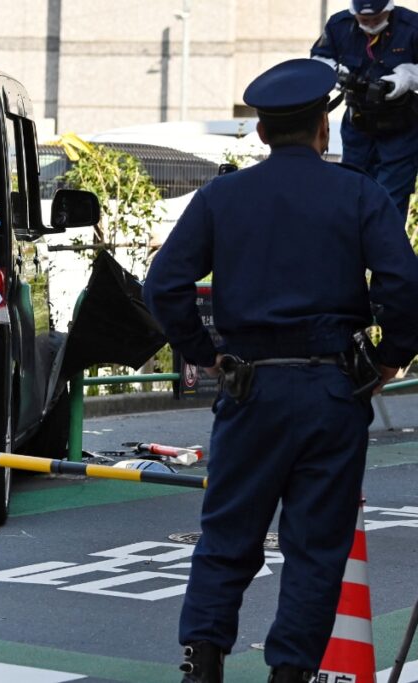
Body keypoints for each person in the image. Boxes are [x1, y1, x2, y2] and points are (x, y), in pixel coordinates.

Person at [143, 58, 418, 683]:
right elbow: (404, 284)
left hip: (250, 387)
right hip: (332, 388)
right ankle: (290, 672)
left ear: (262, 133)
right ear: (325, 128)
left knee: (228, 532)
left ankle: (203, 659)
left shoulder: (222, 197)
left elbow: (164, 284)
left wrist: (201, 350)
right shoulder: (358, 192)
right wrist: (388, 357)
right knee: (316, 545)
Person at [312, 0, 418, 218]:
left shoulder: (412, 26)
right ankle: (352, 248)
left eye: (377, 19)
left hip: (400, 128)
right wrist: (337, 74)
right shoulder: (339, 25)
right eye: (364, 19)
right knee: (352, 190)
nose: (370, 24)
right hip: (358, 124)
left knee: (391, 198)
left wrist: (406, 78)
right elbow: (319, 59)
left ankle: (385, 249)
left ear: (389, 10)